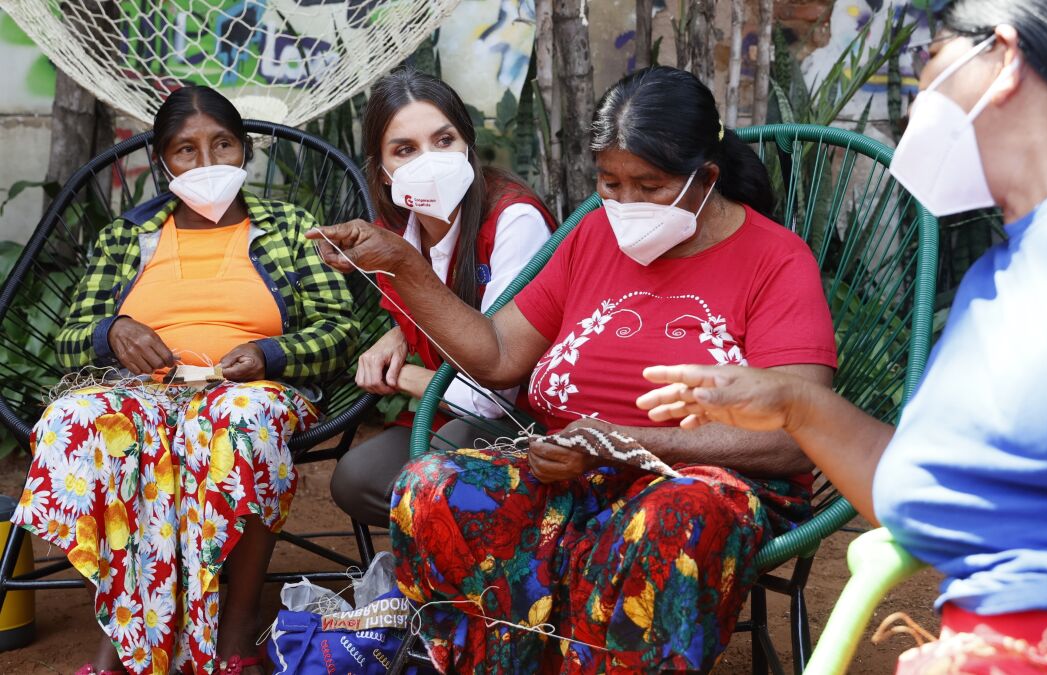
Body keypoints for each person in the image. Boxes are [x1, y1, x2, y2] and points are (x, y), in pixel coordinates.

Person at [637, 2, 1047, 672]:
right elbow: (921, 494)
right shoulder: (997, 285)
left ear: (1003, 57)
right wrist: (796, 405)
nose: (918, 93)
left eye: (928, 56)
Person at [309, 65, 838, 672]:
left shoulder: (775, 260)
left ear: (707, 178)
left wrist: (625, 444)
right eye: (610, 183)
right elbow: (497, 353)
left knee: (669, 519)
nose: (626, 203)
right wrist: (404, 264)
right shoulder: (592, 234)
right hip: (577, 473)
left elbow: (797, 433)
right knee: (431, 487)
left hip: (701, 483)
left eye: (650, 185)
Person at [13, 86, 357, 675]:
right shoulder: (126, 236)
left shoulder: (289, 227)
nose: (206, 162)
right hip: (142, 392)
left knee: (235, 422)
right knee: (78, 420)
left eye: (222, 145)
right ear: (162, 161)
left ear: (244, 150)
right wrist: (112, 332)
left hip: (248, 392)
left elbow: (340, 329)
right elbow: (68, 337)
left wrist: (271, 353)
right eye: (185, 150)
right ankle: (127, 638)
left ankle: (235, 632)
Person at [329, 69, 556, 529]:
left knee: (440, 463)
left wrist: (404, 376)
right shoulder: (396, 232)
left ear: (468, 145)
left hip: (528, 421)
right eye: (405, 150)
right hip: (452, 414)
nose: (429, 162)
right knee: (356, 478)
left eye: (444, 140)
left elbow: (490, 398)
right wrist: (399, 333)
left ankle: (489, 560)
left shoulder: (514, 221)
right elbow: (438, 299)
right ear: (383, 172)